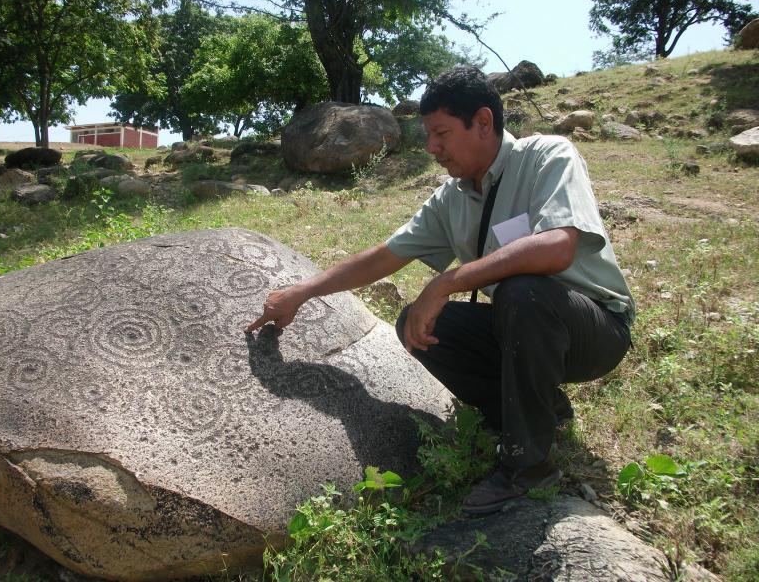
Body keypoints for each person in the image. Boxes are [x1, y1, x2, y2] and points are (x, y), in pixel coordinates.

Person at [245, 66, 634, 515]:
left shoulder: (548, 156)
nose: (432, 148)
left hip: (596, 329)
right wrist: (301, 292)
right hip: (523, 324)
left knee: (523, 290)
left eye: (442, 133)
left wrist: (450, 280)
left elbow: (557, 247)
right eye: (429, 135)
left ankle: (528, 469)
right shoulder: (452, 197)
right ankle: (536, 409)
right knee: (420, 325)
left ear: (483, 122)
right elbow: (383, 256)